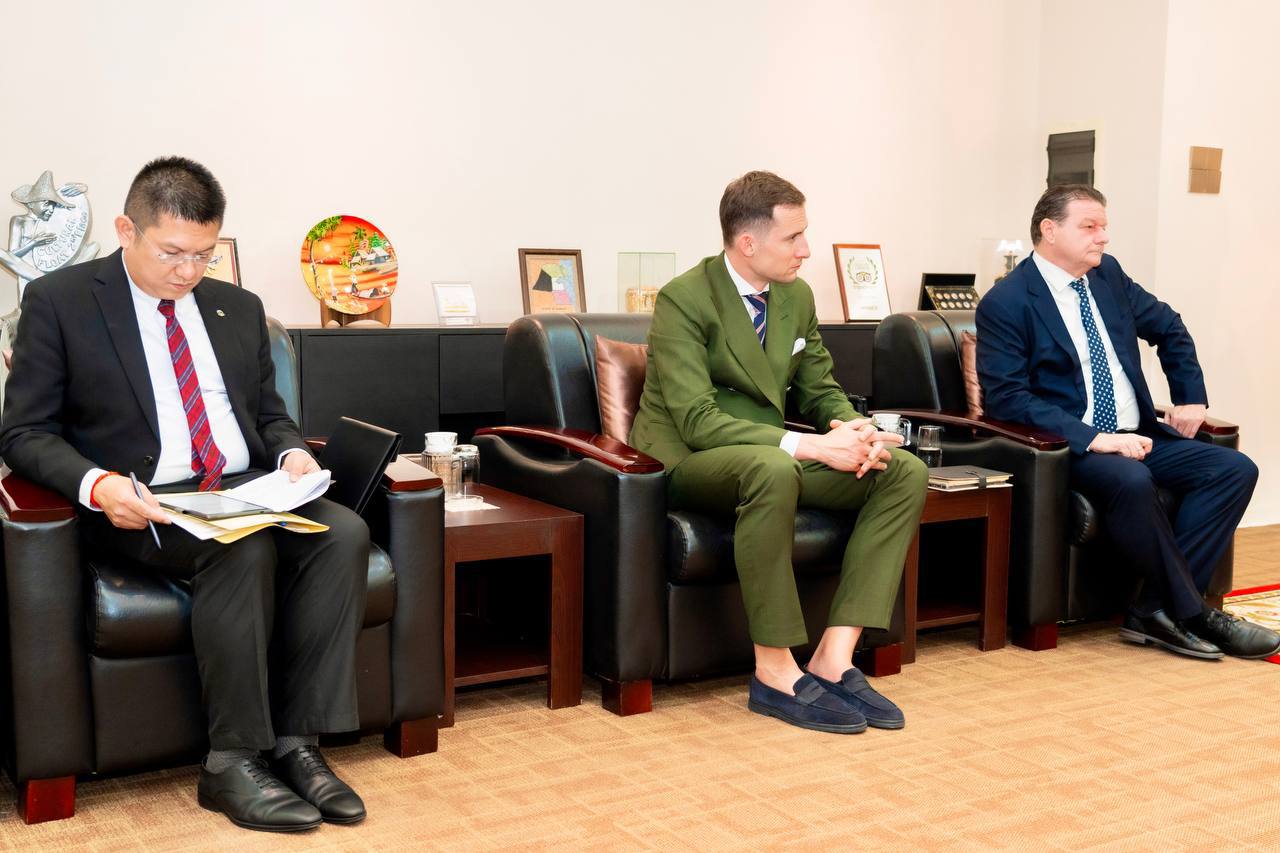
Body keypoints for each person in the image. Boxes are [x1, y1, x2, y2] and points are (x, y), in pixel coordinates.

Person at [0, 157, 371, 832]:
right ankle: (232, 761)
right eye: (172, 252)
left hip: (242, 489)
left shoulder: (238, 307)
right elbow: (23, 432)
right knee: (241, 549)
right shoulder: (61, 301)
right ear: (127, 230)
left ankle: (298, 743)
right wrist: (98, 484)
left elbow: (269, 415)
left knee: (342, 532)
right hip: (142, 501)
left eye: (203, 254)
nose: (188, 271)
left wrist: (289, 452)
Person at [629, 171, 928, 734]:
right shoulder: (683, 299)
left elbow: (818, 387)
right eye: (793, 238)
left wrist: (854, 430)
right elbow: (697, 420)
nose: (806, 250)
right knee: (773, 468)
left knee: (901, 470)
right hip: (690, 459)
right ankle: (773, 670)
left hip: (771, 459)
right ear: (748, 242)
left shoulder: (795, 295)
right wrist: (811, 445)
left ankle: (834, 658)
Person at [976, 183, 1279, 661]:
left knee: (1233, 469)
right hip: (1070, 447)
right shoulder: (1007, 302)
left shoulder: (1108, 276)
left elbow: (1169, 327)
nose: (1103, 237)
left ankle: (1154, 608)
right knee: (1131, 479)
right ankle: (1196, 613)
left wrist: (1190, 397)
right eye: (1090, 227)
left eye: (1104, 227)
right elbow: (1008, 398)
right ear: (1049, 230)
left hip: (1141, 434)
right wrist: (1095, 439)